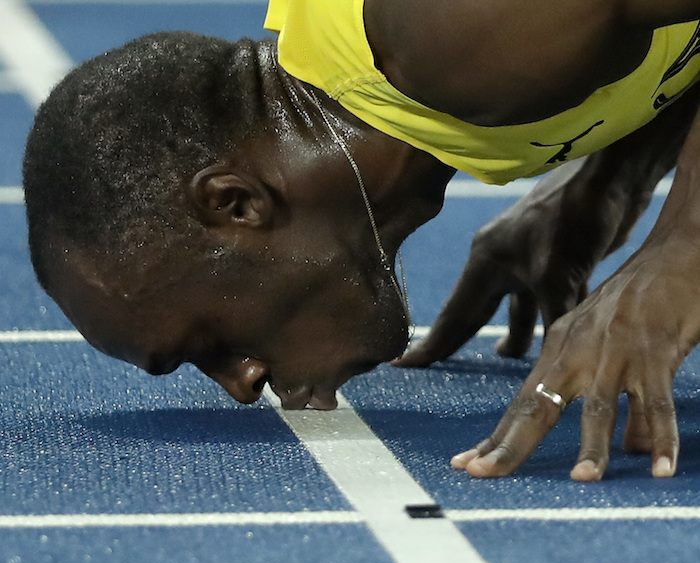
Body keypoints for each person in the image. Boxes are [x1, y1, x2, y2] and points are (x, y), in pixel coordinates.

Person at [21, 0, 700, 482]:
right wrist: (616, 174)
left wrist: (683, 246)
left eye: (209, 343)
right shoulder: (429, 87)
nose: (242, 383)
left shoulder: (455, 36)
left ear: (236, 203)